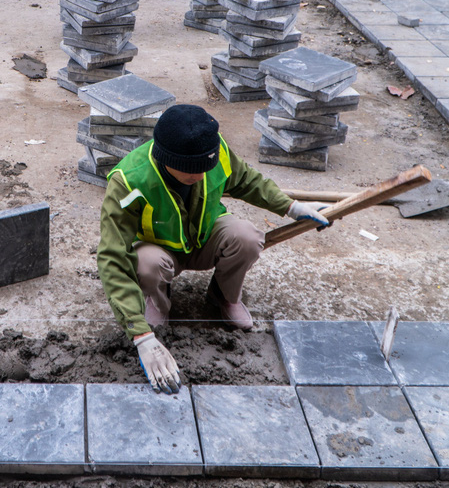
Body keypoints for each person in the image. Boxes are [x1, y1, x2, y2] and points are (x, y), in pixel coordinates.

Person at [96, 103, 331, 394]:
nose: (198, 175)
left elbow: (245, 180)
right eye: (188, 171)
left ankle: (223, 297)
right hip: (159, 248)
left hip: (205, 235)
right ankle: (156, 302)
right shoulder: (130, 180)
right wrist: (139, 335)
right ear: (164, 158)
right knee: (146, 264)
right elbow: (112, 256)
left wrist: (291, 207)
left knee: (247, 237)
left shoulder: (214, 149)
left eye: (202, 169)